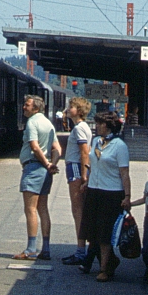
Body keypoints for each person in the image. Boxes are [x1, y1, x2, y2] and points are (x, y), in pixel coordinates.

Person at [79, 111, 131, 281]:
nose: (97, 126)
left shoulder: (119, 146)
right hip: (94, 190)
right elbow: (93, 164)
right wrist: (87, 182)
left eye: (100, 123)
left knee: (105, 233)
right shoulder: (96, 141)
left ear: (108, 126)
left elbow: (124, 173)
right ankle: (110, 262)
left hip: (111, 193)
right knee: (92, 231)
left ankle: (104, 269)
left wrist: (127, 196)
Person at [13, 95, 61, 261]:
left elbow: (34, 146)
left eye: (27, 105)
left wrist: (47, 164)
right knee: (43, 209)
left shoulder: (32, 122)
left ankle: (31, 248)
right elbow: (57, 148)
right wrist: (52, 164)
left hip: (33, 168)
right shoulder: (48, 123)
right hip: (45, 171)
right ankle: (45, 249)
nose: (24, 107)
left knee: (30, 209)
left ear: (35, 108)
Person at [60, 97, 93, 265]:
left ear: (79, 111)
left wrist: (84, 174)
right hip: (76, 167)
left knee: (77, 209)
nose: (68, 109)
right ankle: (84, 249)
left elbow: (84, 152)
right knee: (80, 209)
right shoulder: (82, 127)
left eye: (71, 106)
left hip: (75, 168)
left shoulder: (79, 128)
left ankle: (81, 251)